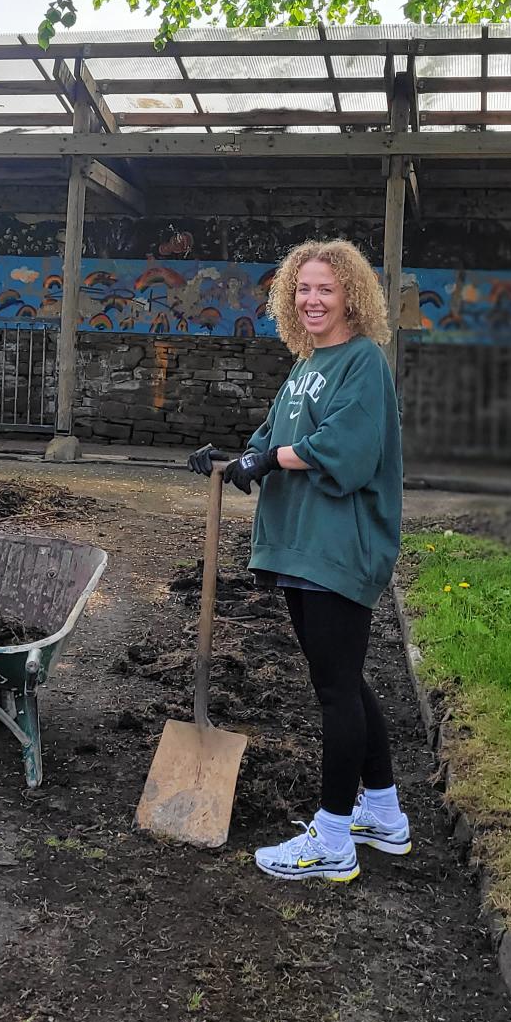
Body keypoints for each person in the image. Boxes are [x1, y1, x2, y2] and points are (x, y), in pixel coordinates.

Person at [188, 238, 406, 882]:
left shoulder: (363, 362)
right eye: (303, 289)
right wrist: (230, 458)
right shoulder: (309, 363)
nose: (313, 300)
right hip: (303, 541)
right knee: (342, 679)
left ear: (351, 297)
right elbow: (275, 435)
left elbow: (347, 448)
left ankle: (333, 838)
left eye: (325, 289)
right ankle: (384, 815)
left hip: (339, 543)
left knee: (335, 689)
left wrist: (272, 459)